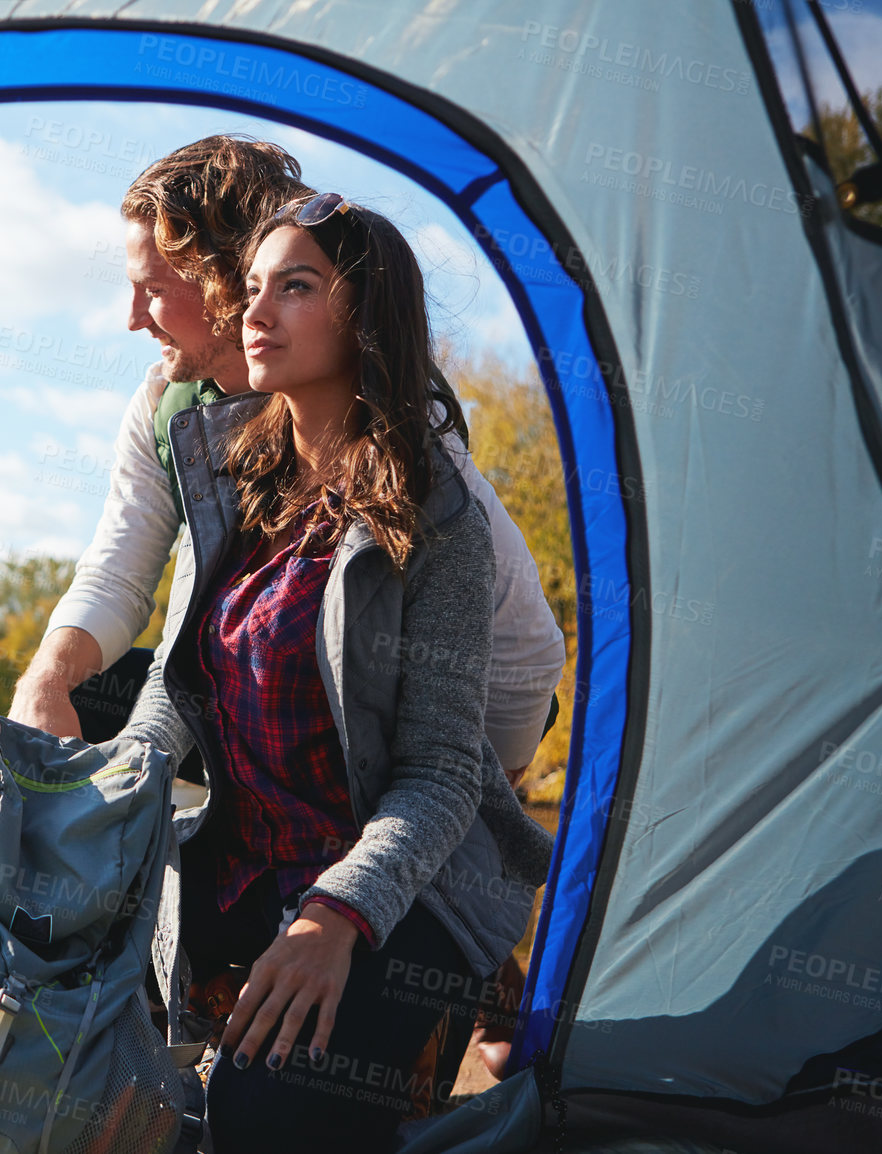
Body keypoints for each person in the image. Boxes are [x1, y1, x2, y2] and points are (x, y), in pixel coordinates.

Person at [121, 192, 554, 1151]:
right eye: (255, 289)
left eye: (299, 287)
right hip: (242, 864)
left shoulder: (436, 512)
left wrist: (334, 916)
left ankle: (472, 985)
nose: (256, 314)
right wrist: (109, 797)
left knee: (259, 1117)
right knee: (77, 1062)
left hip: (392, 879)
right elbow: (173, 683)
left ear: (366, 315)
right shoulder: (228, 477)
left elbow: (441, 773)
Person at [9, 137, 565, 784]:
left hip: (403, 726)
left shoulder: (392, 429)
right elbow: (121, 574)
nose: (133, 318)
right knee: (68, 697)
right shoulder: (169, 410)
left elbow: (525, 646)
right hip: (266, 698)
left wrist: (465, 802)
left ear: (222, 285)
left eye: (154, 289)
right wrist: (47, 678)